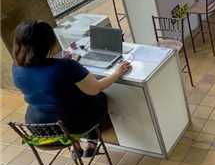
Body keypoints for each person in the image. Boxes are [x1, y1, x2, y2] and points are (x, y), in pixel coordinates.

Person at [12, 21, 130, 157]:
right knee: (98, 97)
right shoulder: (65, 66)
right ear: (49, 42)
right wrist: (117, 73)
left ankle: (75, 145)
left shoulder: (16, 67)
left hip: (39, 128)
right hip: (71, 126)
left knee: (55, 100)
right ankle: (90, 138)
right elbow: (95, 89)